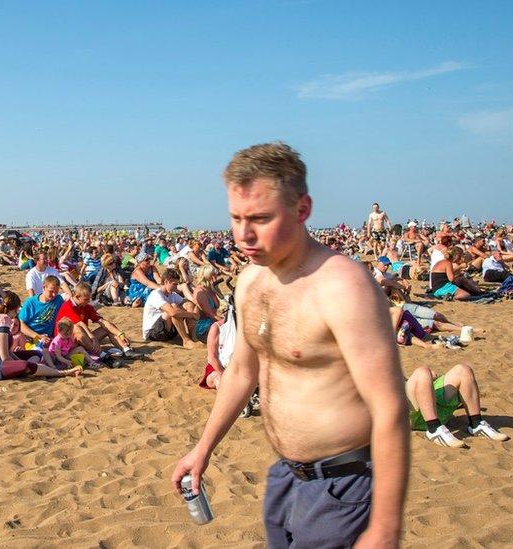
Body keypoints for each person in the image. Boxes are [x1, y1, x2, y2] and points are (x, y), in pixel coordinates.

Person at [172, 142, 409, 548]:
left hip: (342, 484)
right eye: (236, 218)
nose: (244, 234)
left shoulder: (343, 287)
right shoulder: (251, 281)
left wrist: (384, 529)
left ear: (302, 210)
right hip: (285, 478)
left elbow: (390, 408)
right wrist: (203, 448)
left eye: (261, 219)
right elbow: (243, 373)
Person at [0, 291, 87, 380]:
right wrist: (19, 363)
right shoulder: (2, 320)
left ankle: (45, 370)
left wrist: (18, 359)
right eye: (17, 311)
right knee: (26, 366)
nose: (16, 315)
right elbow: (5, 357)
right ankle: (62, 373)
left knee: (35, 354)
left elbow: (7, 352)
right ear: (14, 309)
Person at [405, 364, 510, 448]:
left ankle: (476, 423)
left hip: (431, 407)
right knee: (422, 372)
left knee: (463, 370)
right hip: (407, 412)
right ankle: (434, 429)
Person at [54, 282, 134, 355]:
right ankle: (102, 355)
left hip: (83, 338)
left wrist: (120, 334)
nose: (88, 301)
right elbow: (80, 324)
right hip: (66, 341)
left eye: (89, 299)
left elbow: (102, 321)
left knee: (106, 327)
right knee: (77, 329)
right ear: (77, 297)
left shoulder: (86, 306)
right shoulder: (67, 306)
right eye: (86, 299)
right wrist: (93, 338)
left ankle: (126, 350)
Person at [142, 269, 201, 349]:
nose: (176, 287)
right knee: (173, 307)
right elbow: (172, 312)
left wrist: (193, 312)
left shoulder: (172, 294)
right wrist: (192, 315)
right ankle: (186, 340)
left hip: (168, 331)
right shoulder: (156, 294)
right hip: (152, 333)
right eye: (174, 284)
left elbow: (190, 304)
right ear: (166, 282)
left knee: (188, 305)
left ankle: (192, 337)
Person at [18, 274, 66, 348]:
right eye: (51, 291)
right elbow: (20, 324)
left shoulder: (58, 299)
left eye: (56, 292)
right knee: (40, 352)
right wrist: (38, 336)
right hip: (32, 336)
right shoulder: (31, 302)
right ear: (44, 287)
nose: (53, 295)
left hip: (48, 337)